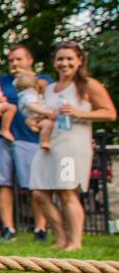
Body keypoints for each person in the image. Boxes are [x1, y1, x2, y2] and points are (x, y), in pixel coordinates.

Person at [29, 41, 115, 251]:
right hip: (49, 144)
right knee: (39, 193)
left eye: (69, 58)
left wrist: (79, 113)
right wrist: (35, 122)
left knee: (67, 192)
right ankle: (60, 238)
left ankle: (75, 242)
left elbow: (110, 113)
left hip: (72, 145)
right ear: (54, 62)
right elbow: (46, 114)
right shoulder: (49, 89)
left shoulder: (87, 85)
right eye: (60, 59)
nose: (64, 63)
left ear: (79, 61)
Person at [0, 45, 51, 241]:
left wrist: (27, 79)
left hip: (29, 137)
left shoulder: (43, 79)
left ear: (29, 60)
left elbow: (48, 95)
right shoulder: (0, 80)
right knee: (0, 183)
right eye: (12, 60)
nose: (14, 63)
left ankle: (40, 229)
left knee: (35, 185)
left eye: (19, 59)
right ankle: (8, 229)